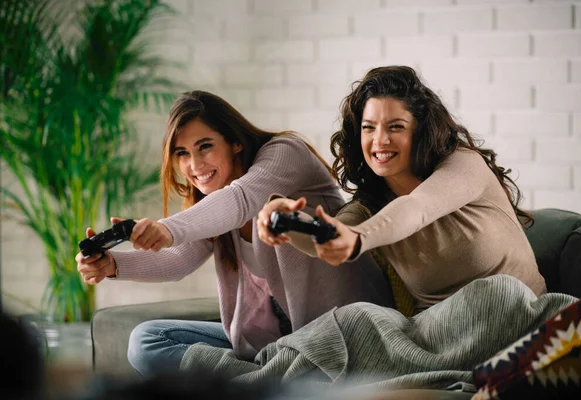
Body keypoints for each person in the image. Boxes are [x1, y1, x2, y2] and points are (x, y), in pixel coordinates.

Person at [76, 91, 394, 376]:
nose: (194, 164)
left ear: (235, 142)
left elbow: (240, 199)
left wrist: (165, 228)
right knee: (147, 340)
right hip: (275, 348)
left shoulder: (285, 152)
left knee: (274, 220)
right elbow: (177, 261)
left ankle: (259, 383)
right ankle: (266, 383)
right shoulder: (214, 207)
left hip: (339, 337)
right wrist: (113, 265)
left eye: (205, 147)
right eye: (181, 153)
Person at [257, 65, 546, 313]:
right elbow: (326, 238)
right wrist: (281, 216)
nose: (379, 140)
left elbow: (417, 208)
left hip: (517, 314)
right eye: (369, 128)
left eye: (395, 126)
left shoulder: (464, 164)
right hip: (441, 335)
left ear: (420, 131)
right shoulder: (371, 207)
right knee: (352, 321)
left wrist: (358, 237)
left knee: (495, 293)